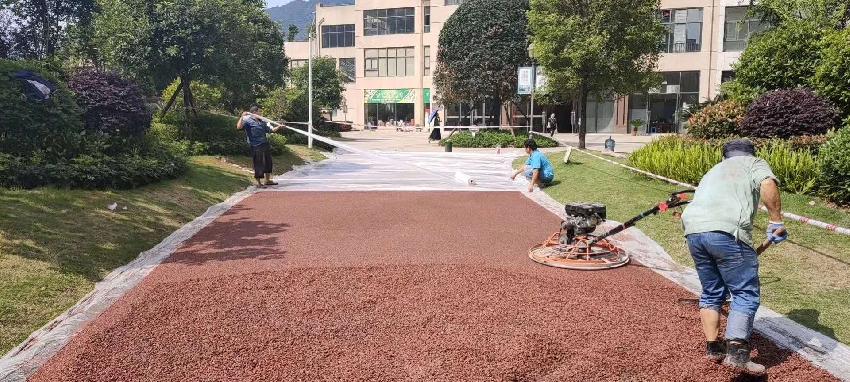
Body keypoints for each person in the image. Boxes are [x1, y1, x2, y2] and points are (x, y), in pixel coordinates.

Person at [681, 139, 788, 376]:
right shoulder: (753, 163)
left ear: (724, 156)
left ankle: (714, 348)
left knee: (711, 292)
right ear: (751, 153)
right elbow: (768, 182)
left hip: (694, 233)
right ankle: (737, 354)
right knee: (745, 293)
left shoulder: (713, 170)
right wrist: (776, 220)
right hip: (727, 233)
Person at [236, 106, 280, 188]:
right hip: (256, 145)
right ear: (254, 112)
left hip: (265, 144)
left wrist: (279, 126)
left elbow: (271, 130)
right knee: (259, 164)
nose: (261, 113)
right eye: (260, 112)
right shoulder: (248, 121)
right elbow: (238, 127)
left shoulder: (262, 122)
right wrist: (242, 116)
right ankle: (259, 183)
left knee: (268, 162)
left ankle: (267, 180)